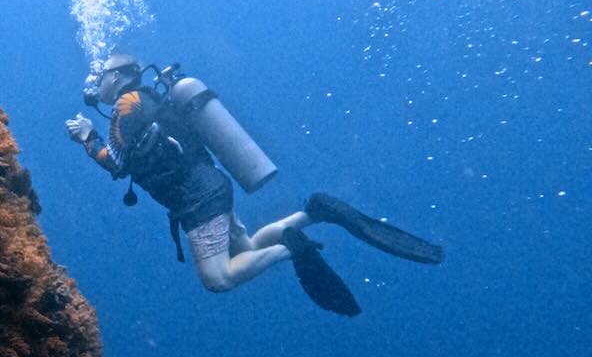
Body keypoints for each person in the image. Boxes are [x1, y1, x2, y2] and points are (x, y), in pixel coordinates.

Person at [65, 53, 443, 315]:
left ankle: (293, 249)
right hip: (212, 186)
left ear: (116, 77)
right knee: (245, 247)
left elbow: (117, 164)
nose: (96, 85)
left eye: (100, 78)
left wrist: (87, 137)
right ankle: (314, 212)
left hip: (197, 202)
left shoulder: (125, 107)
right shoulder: (149, 99)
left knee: (219, 278)